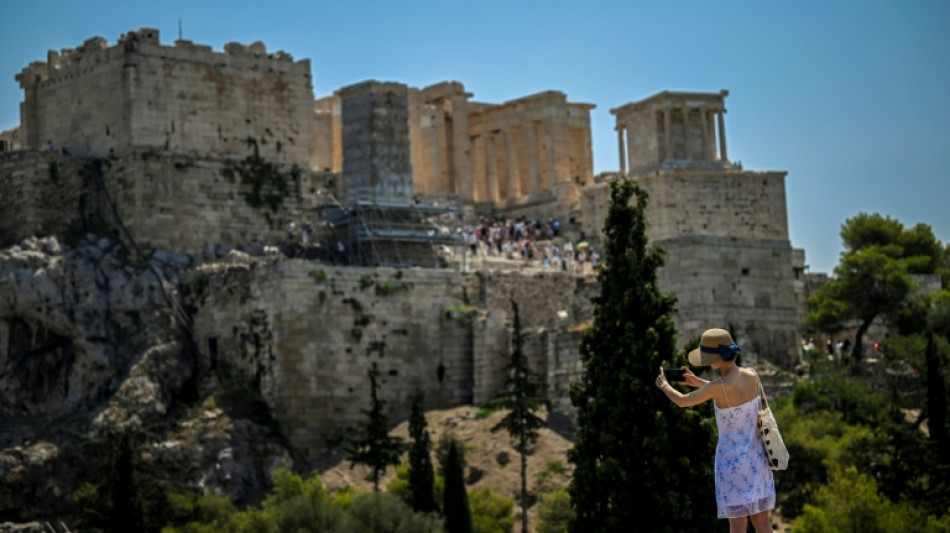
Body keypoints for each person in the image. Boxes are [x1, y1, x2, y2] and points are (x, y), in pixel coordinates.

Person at [656, 328, 775, 533]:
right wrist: (698, 382)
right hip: (757, 459)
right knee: (763, 523)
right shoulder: (751, 376)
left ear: (714, 359)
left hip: (732, 463)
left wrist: (665, 385)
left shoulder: (717, 387)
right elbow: (729, 391)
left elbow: (684, 401)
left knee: (737, 526)